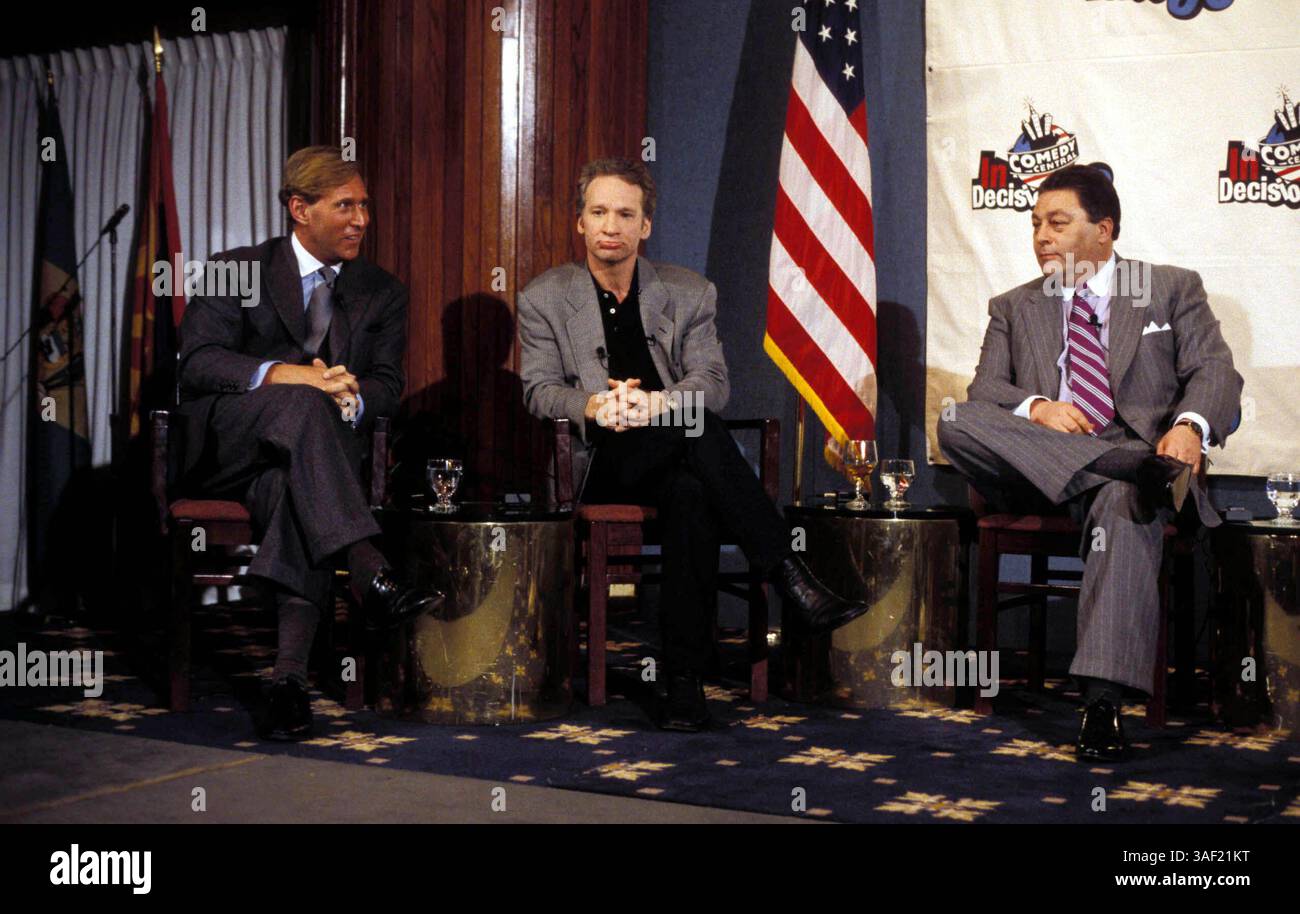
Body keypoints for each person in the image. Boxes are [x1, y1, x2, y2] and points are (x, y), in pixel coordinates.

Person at [517, 157, 870, 732]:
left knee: (690, 488)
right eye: (599, 212)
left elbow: (713, 384)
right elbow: (538, 390)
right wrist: (595, 404)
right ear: (579, 222)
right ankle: (787, 573)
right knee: (699, 429)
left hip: (672, 446)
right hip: (603, 458)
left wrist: (655, 403)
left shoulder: (688, 292)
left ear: (645, 226)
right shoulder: (544, 298)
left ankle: (682, 684)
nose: (612, 225)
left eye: (626, 214)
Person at [937, 163, 1243, 760]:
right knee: (955, 419)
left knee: (1126, 502)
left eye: (1058, 222)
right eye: (1035, 225)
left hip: (1136, 467)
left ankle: (1102, 705)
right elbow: (986, 393)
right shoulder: (1013, 306)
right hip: (1042, 472)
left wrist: (1188, 426)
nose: (1042, 237)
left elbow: (1216, 373)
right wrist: (1037, 406)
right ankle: (1117, 465)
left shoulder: (1171, 288)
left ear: (1104, 230)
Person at [177, 145, 442, 740]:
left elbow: (387, 385)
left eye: (365, 205)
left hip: (305, 465)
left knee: (290, 492)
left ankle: (288, 683)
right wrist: (295, 376)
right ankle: (369, 564)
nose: (362, 219)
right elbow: (198, 362)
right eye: (345, 205)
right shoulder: (235, 268)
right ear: (300, 208)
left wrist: (349, 397)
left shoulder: (382, 290)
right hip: (228, 450)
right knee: (302, 401)